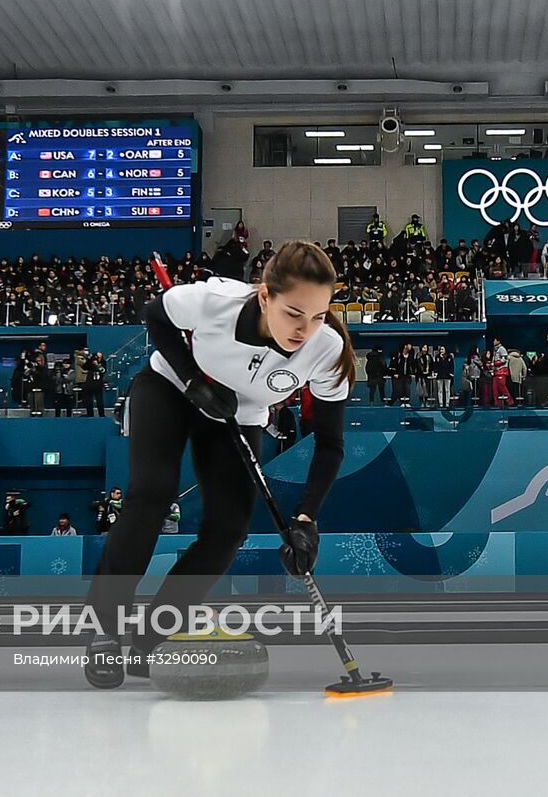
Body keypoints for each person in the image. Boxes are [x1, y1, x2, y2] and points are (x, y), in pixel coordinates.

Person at [84, 241, 353, 689]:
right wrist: (191, 379)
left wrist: (306, 520)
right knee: (151, 493)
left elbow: (329, 443)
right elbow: (155, 314)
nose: (305, 329)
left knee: (228, 529)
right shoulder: (215, 302)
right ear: (265, 296)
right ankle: (104, 630)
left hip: (237, 414)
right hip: (169, 388)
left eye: (319, 316)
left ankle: (151, 640)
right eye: (293, 313)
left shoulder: (327, 352)